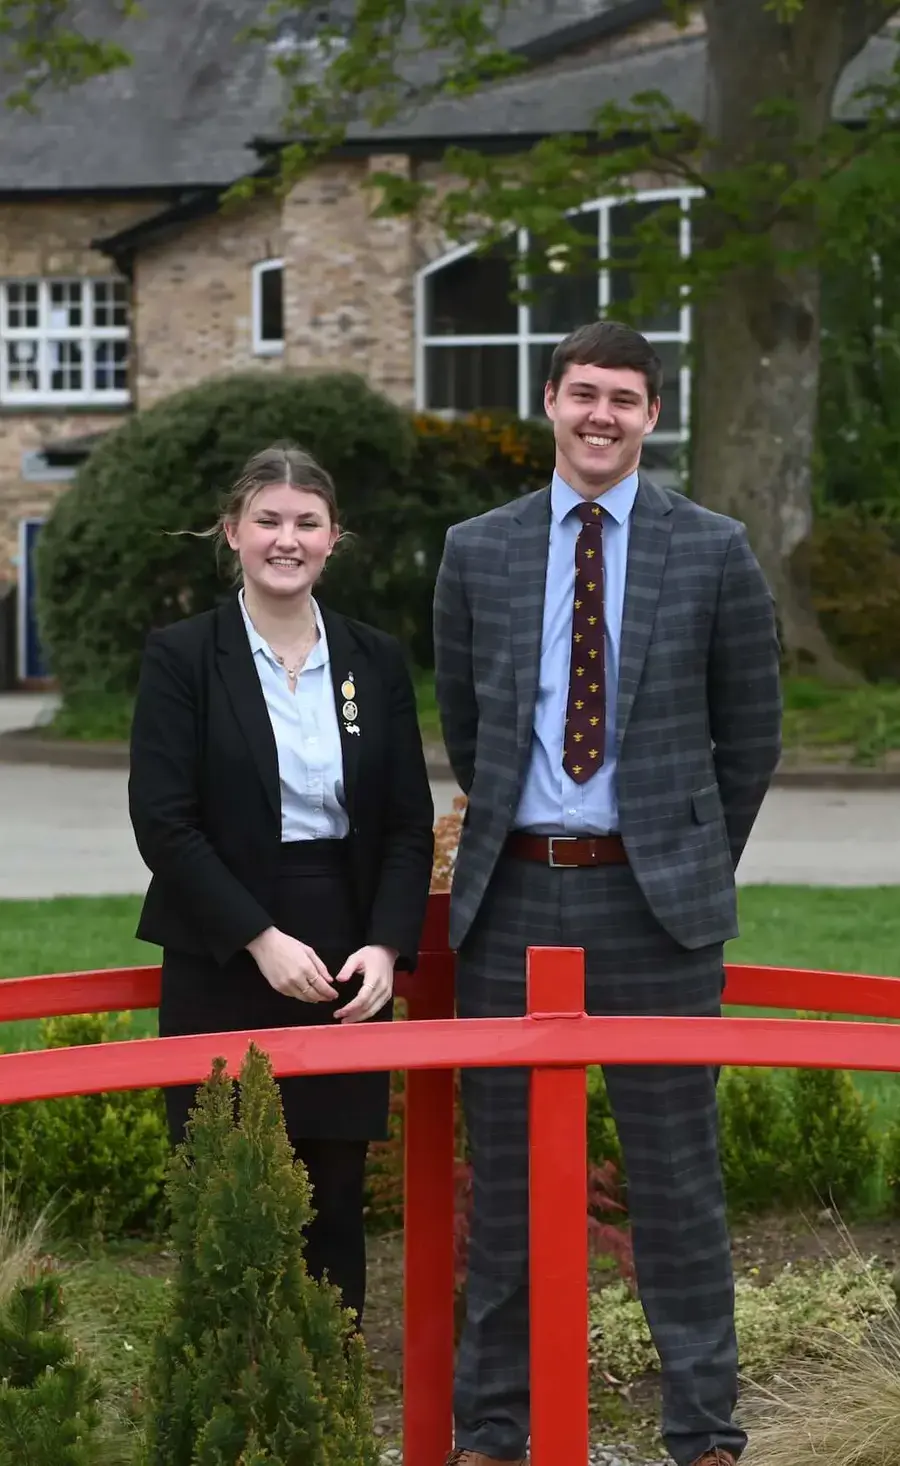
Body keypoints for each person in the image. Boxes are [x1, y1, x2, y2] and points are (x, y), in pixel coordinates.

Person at [434, 320, 782, 1466]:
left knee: (677, 1182)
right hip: (514, 899)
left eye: (625, 399)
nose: (602, 416)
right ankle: (492, 1429)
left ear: (651, 415)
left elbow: (753, 733)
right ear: (549, 399)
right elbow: (470, 725)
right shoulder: (477, 549)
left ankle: (705, 1434)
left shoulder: (716, 549)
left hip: (656, 907)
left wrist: (684, 858)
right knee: (505, 1188)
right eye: (585, 393)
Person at [129, 442, 434, 1331]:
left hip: (343, 952)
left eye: (307, 522)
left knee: (333, 1200)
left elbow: (408, 823)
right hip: (225, 945)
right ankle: (233, 1408)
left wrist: (385, 943)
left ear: (335, 539)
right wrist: (258, 938)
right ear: (233, 533)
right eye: (268, 520)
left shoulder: (372, 661)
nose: (286, 539)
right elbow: (165, 824)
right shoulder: (183, 656)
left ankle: (325, 1411)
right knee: (229, 1199)